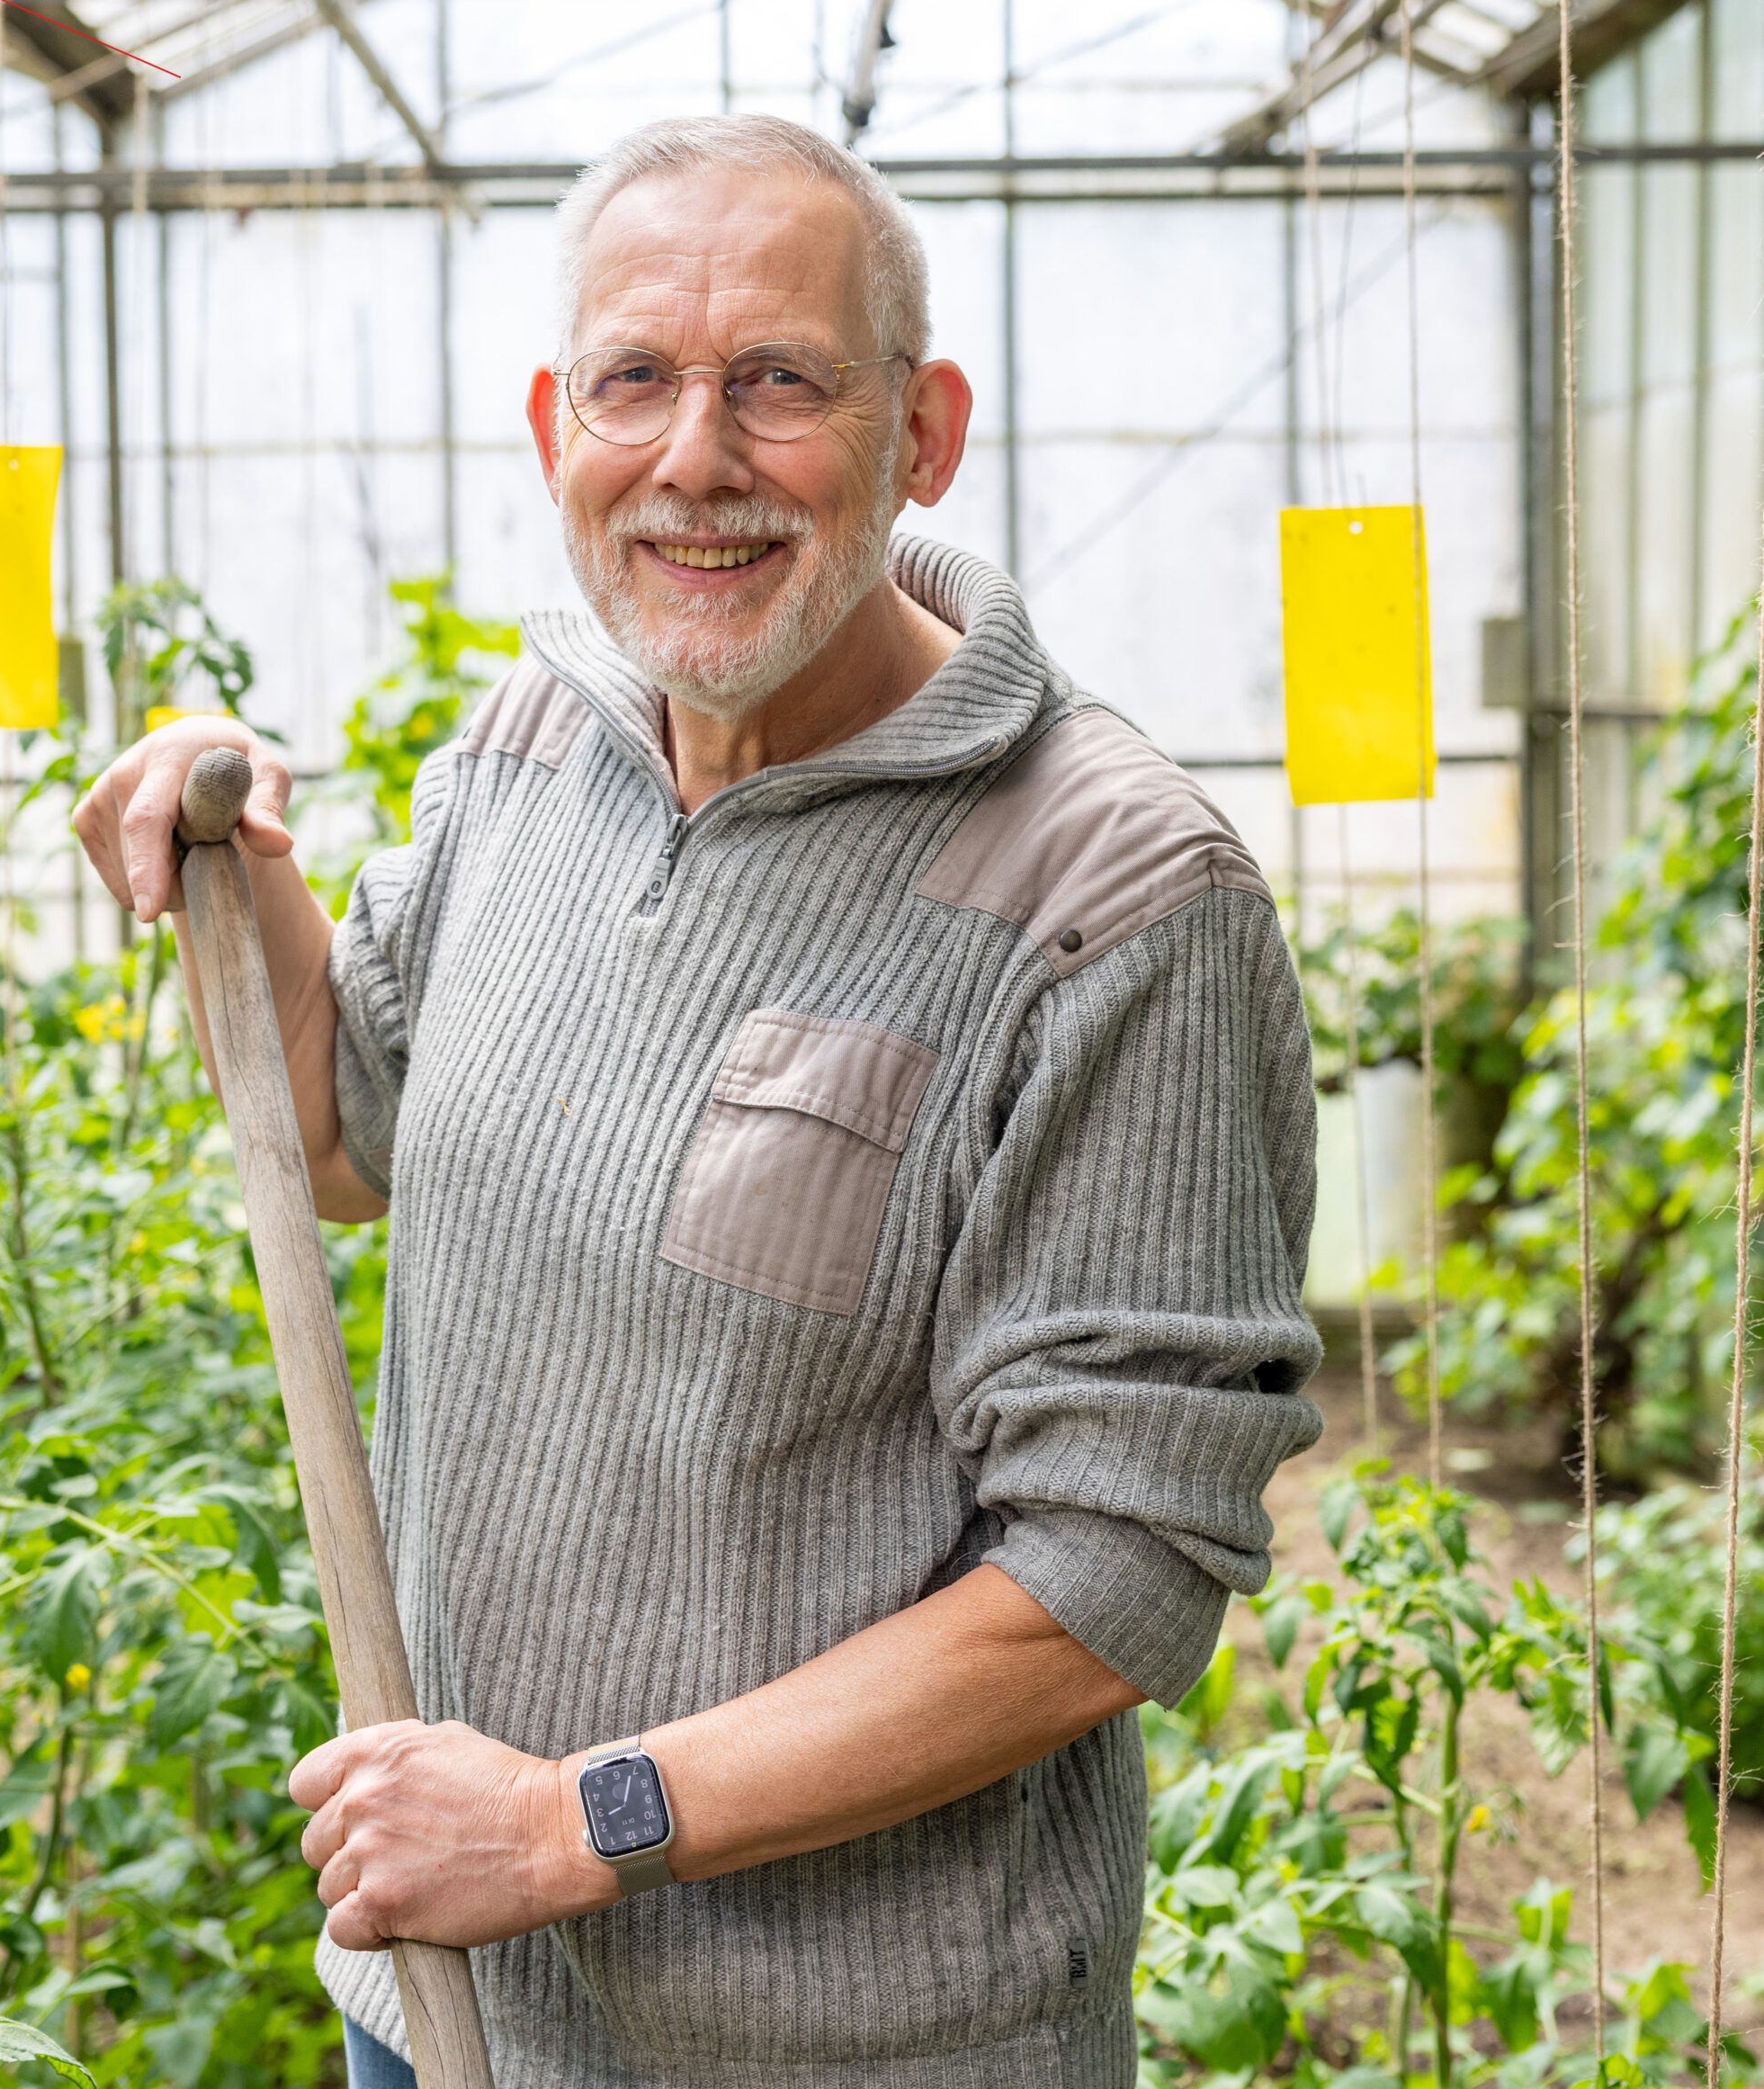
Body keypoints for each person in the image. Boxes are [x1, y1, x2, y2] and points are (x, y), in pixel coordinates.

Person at [76, 114, 1324, 2089]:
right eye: (635, 379)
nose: (695, 458)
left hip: (853, 2053)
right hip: (447, 2002)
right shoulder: (533, 743)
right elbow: (339, 1135)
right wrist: (243, 878)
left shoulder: (1113, 897)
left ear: (923, 431)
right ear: (553, 422)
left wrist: (568, 1824)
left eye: (779, 383)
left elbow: (1108, 1580)